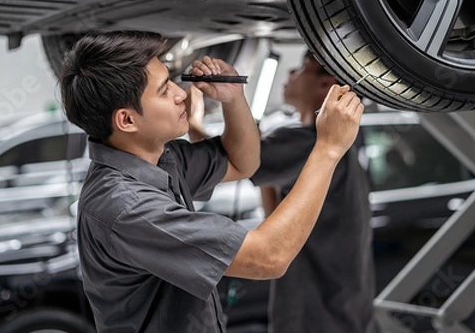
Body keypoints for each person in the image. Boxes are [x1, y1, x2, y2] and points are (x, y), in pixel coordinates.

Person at [59, 31, 364, 333]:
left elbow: (241, 162)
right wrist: (328, 148)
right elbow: (268, 257)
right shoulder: (127, 207)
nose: (181, 93)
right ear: (127, 120)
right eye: (164, 90)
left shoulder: (162, 160)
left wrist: (233, 99)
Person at [250, 51, 377, 333]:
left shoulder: (308, 143)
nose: (290, 75)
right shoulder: (343, 147)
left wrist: (199, 115)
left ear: (327, 84)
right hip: (345, 314)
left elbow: (236, 161)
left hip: (316, 318)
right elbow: (274, 214)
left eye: (300, 68)